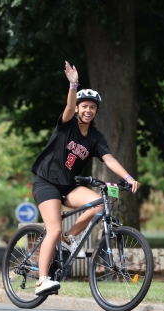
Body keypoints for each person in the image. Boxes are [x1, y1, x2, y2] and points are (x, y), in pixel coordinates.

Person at [29, 61, 141, 295]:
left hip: (68, 186)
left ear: (96, 111)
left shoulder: (95, 137)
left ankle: (70, 238)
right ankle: (41, 280)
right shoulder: (67, 124)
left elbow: (109, 159)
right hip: (46, 181)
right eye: (84, 106)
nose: (88, 110)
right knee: (53, 229)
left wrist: (128, 177)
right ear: (79, 108)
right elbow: (69, 106)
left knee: (100, 203)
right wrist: (73, 85)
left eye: (92, 107)